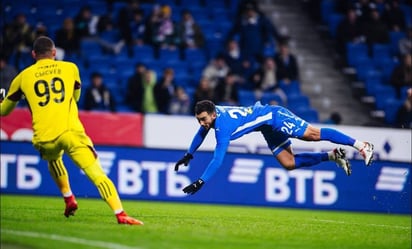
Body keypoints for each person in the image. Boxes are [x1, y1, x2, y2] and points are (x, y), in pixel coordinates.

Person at [0, 36, 143, 225]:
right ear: (54, 53)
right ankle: (120, 213)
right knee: (97, 174)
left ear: (33, 54)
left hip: (44, 137)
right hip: (71, 132)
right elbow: (75, 97)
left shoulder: (22, 77)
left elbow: (4, 111)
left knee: (54, 159)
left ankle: (68, 198)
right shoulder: (70, 68)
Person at [174, 100, 374, 195]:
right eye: (198, 120)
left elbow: (218, 159)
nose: (201, 123)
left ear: (213, 114)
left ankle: (361, 145)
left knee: (313, 135)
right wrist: (189, 154)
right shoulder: (216, 113)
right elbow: (201, 133)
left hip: (274, 117)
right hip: (266, 127)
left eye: (203, 119)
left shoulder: (222, 128)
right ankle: (332, 156)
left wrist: (200, 182)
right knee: (289, 163)